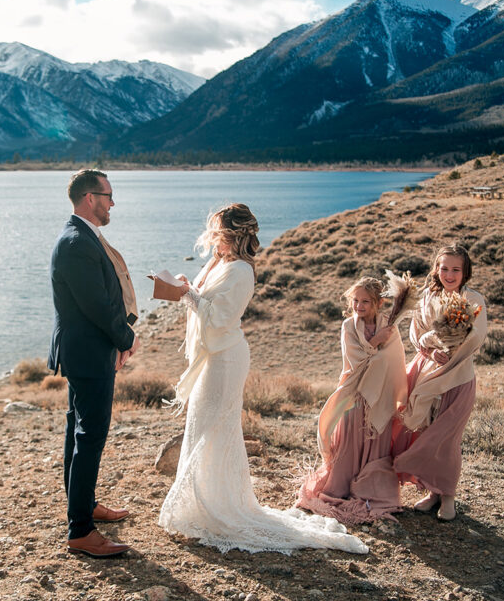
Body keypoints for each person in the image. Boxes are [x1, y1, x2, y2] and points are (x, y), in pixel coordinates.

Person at [158, 204, 368, 555]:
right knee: (205, 426)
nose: (210, 237)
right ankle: (203, 502)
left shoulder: (241, 270)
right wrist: (185, 287)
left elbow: (221, 317)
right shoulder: (218, 263)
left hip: (225, 359)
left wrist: (187, 295)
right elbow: (203, 300)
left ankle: (219, 508)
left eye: (216, 231)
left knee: (216, 428)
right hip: (214, 356)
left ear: (232, 235)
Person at [49, 169, 139, 558]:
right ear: (89, 198)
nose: (112, 203)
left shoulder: (83, 237)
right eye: (108, 195)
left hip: (87, 350)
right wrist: (126, 337)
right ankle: (81, 530)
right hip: (88, 352)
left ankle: (82, 507)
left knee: (78, 430)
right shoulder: (76, 242)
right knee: (90, 436)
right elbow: (97, 306)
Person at [296, 276, 407, 524]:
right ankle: (341, 486)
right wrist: (374, 343)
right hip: (354, 393)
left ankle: (370, 490)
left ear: (378, 303)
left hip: (380, 397)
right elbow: (356, 361)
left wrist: (380, 351)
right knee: (350, 439)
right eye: (355, 300)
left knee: (374, 441)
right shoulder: (348, 326)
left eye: (365, 301)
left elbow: (393, 361)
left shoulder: (390, 325)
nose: (359, 305)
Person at [392, 245, 487, 521]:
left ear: (465, 271)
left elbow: (475, 338)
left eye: (456, 269)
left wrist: (451, 352)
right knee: (424, 432)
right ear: (436, 269)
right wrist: (432, 350)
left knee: (446, 439)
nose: (449, 274)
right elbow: (416, 333)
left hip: (457, 377)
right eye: (444, 268)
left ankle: (448, 497)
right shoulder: (427, 298)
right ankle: (432, 491)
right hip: (426, 374)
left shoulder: (473, 299)